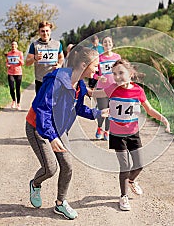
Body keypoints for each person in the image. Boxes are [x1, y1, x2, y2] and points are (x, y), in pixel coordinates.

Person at [25, 46, 108, 220]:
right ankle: (35, 183)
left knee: (67, 166)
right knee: (50, 168)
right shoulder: (57, 79)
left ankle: (60, 203)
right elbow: (42, 109)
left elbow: (78, 108)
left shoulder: (80, 85)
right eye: (95, 65)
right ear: (84, 64)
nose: (97, 69)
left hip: (57, 127)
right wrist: (52, 137)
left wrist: (98, 114)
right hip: (38, 127)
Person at [92, 59, 170, 211]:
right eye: (114, 74)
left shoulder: (138, 91)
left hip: (133, 134)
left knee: (139, 165)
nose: (117, 77)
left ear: (131, 73)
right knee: (125, 166)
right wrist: (77, 87)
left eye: (121, 73)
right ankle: (123, 196)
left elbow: (149, 110)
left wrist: (164, 119)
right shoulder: (112, 88)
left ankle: (132, 181)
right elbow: (95, 93)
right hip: (116, 134)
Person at [93, 36, 121, 141]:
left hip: (114, 88)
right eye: (105, 42)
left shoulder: (117, 57)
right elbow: (93, 74)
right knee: (102, 111)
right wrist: (99, 77)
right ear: (102, 45)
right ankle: (99, 128)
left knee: (111, 111)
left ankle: (107, 131)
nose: (107, 44)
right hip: (102, 89)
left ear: (112, 44)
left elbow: (121, 71)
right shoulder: (99, 58)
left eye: (109, 42)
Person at [26, 21, 65, 94]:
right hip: (40, 80)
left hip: (54, 79)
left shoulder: (57, 44)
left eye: (47, 31)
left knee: (52, 103)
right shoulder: (34, 45)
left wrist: (59, 65)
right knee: (40, 104)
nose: (45, 33)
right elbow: (27, 62)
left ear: (50, 31)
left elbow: (61, 57)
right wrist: (35, 58)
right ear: (39, 32)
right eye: (42, 31)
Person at [6, 41, 24, 110]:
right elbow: (7, 62)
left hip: (18, 73)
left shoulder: (20, 53)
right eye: (12, 45)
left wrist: (19, 60)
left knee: (18, 88)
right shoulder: (9, 53)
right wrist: (7, 65)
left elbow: (22, 63)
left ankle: (18, 104)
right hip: (10, 73)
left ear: (17, 46)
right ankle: (13, 100)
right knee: (11, 87)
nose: (13, 46)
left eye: (14, 45)